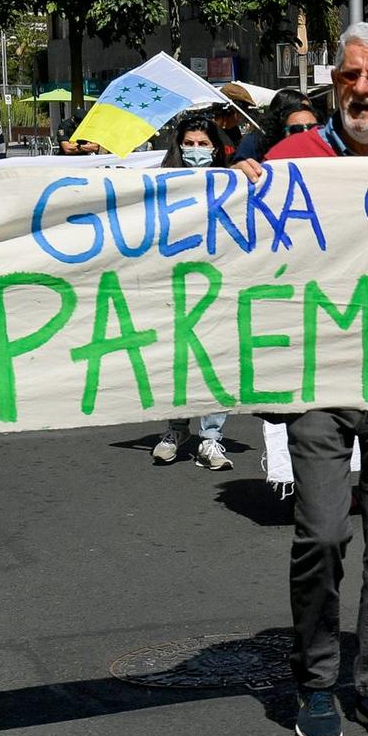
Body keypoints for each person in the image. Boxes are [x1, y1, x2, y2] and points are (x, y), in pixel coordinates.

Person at [257, 23, 368, 736]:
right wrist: (236, 188)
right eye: (348, 77)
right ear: (333, 81)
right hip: (316, 381)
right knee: (323, 534)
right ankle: (317, 680)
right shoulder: (287, 160)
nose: (361, 90)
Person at [150, 113, 235, 472]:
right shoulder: (159, 182)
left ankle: (211, 438)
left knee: (215, 361)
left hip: (219, 283)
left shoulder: (233, 182)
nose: (196, 150)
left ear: (216, 148)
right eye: (189, 144)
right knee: (177, 361)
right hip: (174, 283)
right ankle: (176, 429)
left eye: (203, 144)